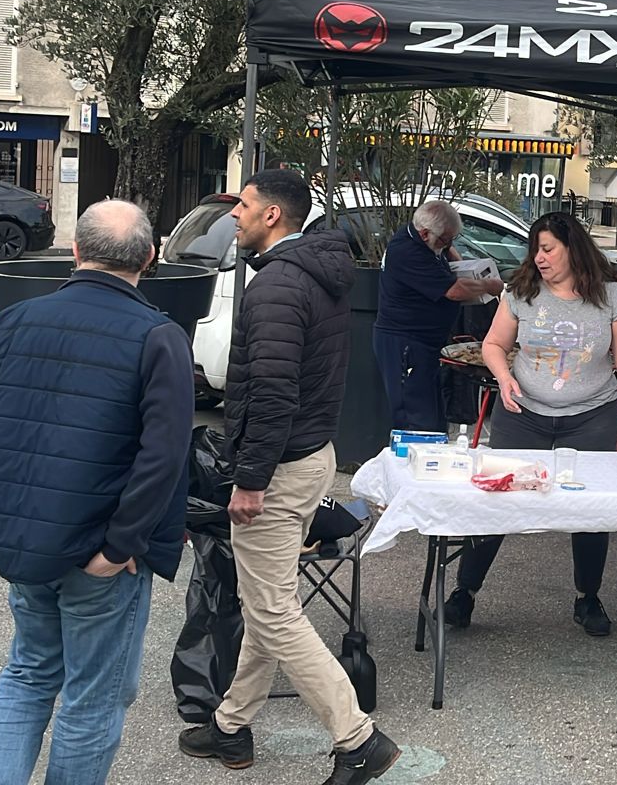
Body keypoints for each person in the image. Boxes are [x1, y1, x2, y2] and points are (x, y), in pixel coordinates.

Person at [0, 200, 195, 785]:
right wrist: (122, 544)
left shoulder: (13, 321)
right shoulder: (160, 337)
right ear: (151, 258)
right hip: (102, 552)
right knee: (94, 696)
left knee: (28, 673)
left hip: (26, 542)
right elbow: (163, 456)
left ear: (75, 252)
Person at [178, 169, 400, 784]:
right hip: (306, 458)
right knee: (265, 595)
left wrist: (250, 479)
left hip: (278, 468)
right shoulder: (315, 271)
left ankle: (358, 740)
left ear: (272, 215)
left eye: (244, 207)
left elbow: (273, 392)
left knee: (272, 607)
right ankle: (230, 725)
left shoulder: (277, 284)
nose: (235, 217)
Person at [448, 212, 617, 637]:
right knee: (497, 503)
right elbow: (494, 344)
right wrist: (503, 376)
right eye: (535, 250)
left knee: (590, 509)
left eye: (547, 249)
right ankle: (464, 591)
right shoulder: (521, 291)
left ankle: (588, 596)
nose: (538, 258)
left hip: (591, 417)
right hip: (523, 416)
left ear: (572, 248)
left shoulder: (611, 296)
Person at [373, 200, 505, 432]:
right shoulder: (408, 252)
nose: (448, 245)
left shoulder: (422, 239)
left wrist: (450, 251)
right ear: (425, 234)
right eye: (445, 240)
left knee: (434, 414)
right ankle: (413, 460)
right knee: (416, 416)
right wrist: (488, 286)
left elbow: (449, 255)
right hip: (406, 343)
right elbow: (454, 291)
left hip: (426, 342)